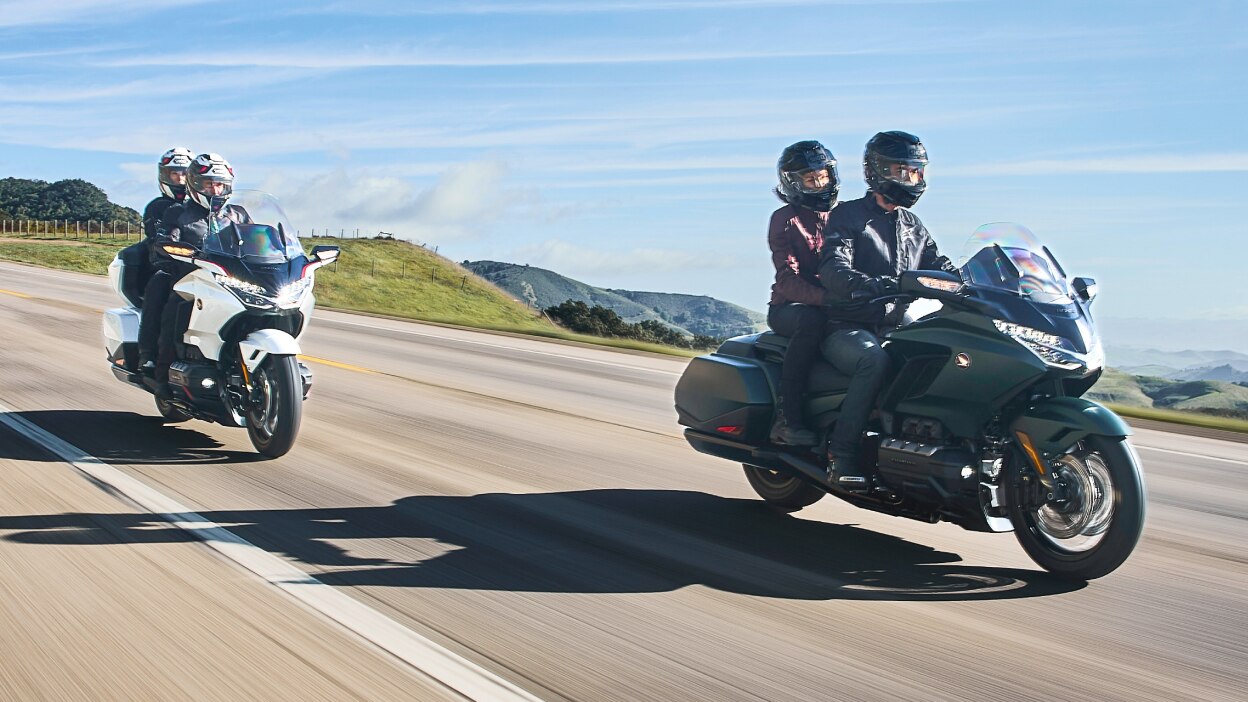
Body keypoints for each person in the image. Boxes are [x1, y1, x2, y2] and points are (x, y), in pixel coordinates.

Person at [817, 130, 958, 492]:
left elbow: (939, 265)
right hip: (847, 325)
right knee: (873, 362)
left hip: (894, 324)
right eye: (902, 171)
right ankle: (842, 454)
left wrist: (975, 284)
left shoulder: (913, 226)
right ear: (877, 171)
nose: (911, 179)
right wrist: (876, 285)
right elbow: (833, 268)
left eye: (916, 171)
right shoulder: (848, 216)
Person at [153, 153, 250, 395]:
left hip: (231, 282)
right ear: (195, 184)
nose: (215, 190)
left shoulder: (237, 214)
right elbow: (166, 239)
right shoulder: (177, 213)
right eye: (209, 184)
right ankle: (163, 379)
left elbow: (255, 240)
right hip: (192, 281)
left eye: (220, 185)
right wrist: (170, 247)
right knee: (177, 309)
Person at [766, 140, 841, 446]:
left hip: (837, 304)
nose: (820, 184)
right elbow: (787, 280)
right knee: (812, 323)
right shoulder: (785, 220)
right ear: (793, 183)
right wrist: (828, 299)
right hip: (790, 307)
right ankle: (787, 418)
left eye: (823, 176)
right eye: (811, 179)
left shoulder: (843, 216)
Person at [135, 147, 193, 371]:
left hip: (201, 266)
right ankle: (148, 354)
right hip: (165, 265)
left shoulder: (204, 208)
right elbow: (157, 237)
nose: (180, 179)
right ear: (164, 176)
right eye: (174, 173)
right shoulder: (157, 207)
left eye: (184, 173)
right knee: (158, 288)